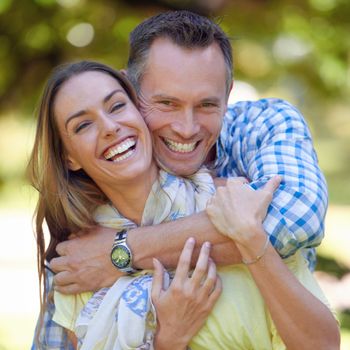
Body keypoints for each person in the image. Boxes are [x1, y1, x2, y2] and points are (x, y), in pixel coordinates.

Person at [31, 10, 328, 348]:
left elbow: (298, 219)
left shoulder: (255, 142)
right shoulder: (82, 243)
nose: (186, 128)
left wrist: (123, 252)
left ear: (227, 95)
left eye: (205, 104)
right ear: (132, 90)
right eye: (167, 103)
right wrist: (168, 338)